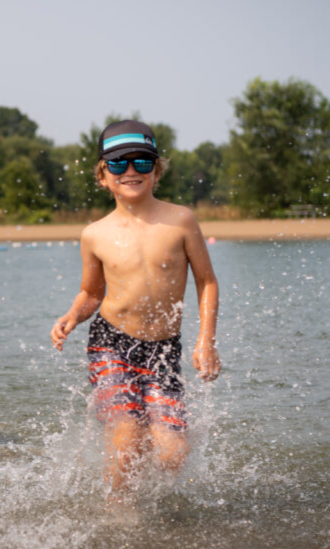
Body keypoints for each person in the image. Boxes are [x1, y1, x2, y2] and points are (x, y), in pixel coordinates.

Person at [50, 120, 221, 501]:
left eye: (142, 163)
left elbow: (206, 281)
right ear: (102, 175)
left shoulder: (180, 220)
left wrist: (206, 341)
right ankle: (118, 508)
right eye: (118, 164)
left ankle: (147, 500)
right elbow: (91, 293)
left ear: (156, 170)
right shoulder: (95, 233)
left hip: (163, 349)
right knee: (128, 433)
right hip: (110, 342)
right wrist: (72, 316)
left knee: (173, 453)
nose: (130, 171)